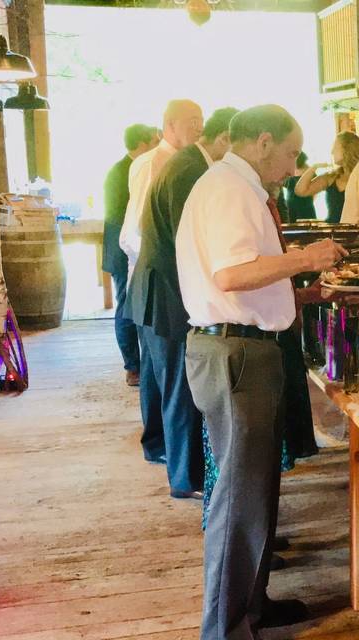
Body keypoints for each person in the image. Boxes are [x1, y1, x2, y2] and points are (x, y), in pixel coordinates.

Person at [176, 105, 347, 638]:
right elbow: (230, 275)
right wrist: (306, 259)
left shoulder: (235, 185)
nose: (296, 166)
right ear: (265, 141)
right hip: (236, 354)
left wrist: (298, 293)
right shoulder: (228, 186)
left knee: (256, 493)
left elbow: (243, 274)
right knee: (237, 498)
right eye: (293, 152)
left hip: (244, 349)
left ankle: (252, 606)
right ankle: (223, 628)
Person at [127, 107, 238, 499]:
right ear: (224, 139)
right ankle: (185, 478)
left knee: (169, 385)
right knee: (179, 388)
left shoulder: (188, 162)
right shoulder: (190, 168)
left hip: (158, 291)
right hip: (165, 295)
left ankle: (181, 469)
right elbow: (186, 240)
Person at [119, 99, 204, 274]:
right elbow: (142, 222)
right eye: (193, 121)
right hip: (154, 266)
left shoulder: (188, 163)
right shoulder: (152, 162)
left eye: (202, 121)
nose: (199, 128)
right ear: (170, 124)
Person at [102, 124, 157, 386]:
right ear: (143, 143)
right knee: (127, 306)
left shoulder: (126, 167)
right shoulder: (128, 170)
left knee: (130, 304)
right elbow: (124, 217)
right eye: (154, 140)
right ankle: (133, 367)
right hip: (123, 249)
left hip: (123, 247)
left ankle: (139, 365)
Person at [293, 131, 359, 223]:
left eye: (335, 148)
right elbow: (300, 191)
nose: (332, 151)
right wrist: (314, 167)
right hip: (333, 232)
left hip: (356, 231)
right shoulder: (331, 177)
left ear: (347, 149)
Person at [281, 152, 316, 222]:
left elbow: (315, 191)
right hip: (290, 208)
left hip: (306, 207)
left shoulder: (310, 172)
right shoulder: (287, 170)